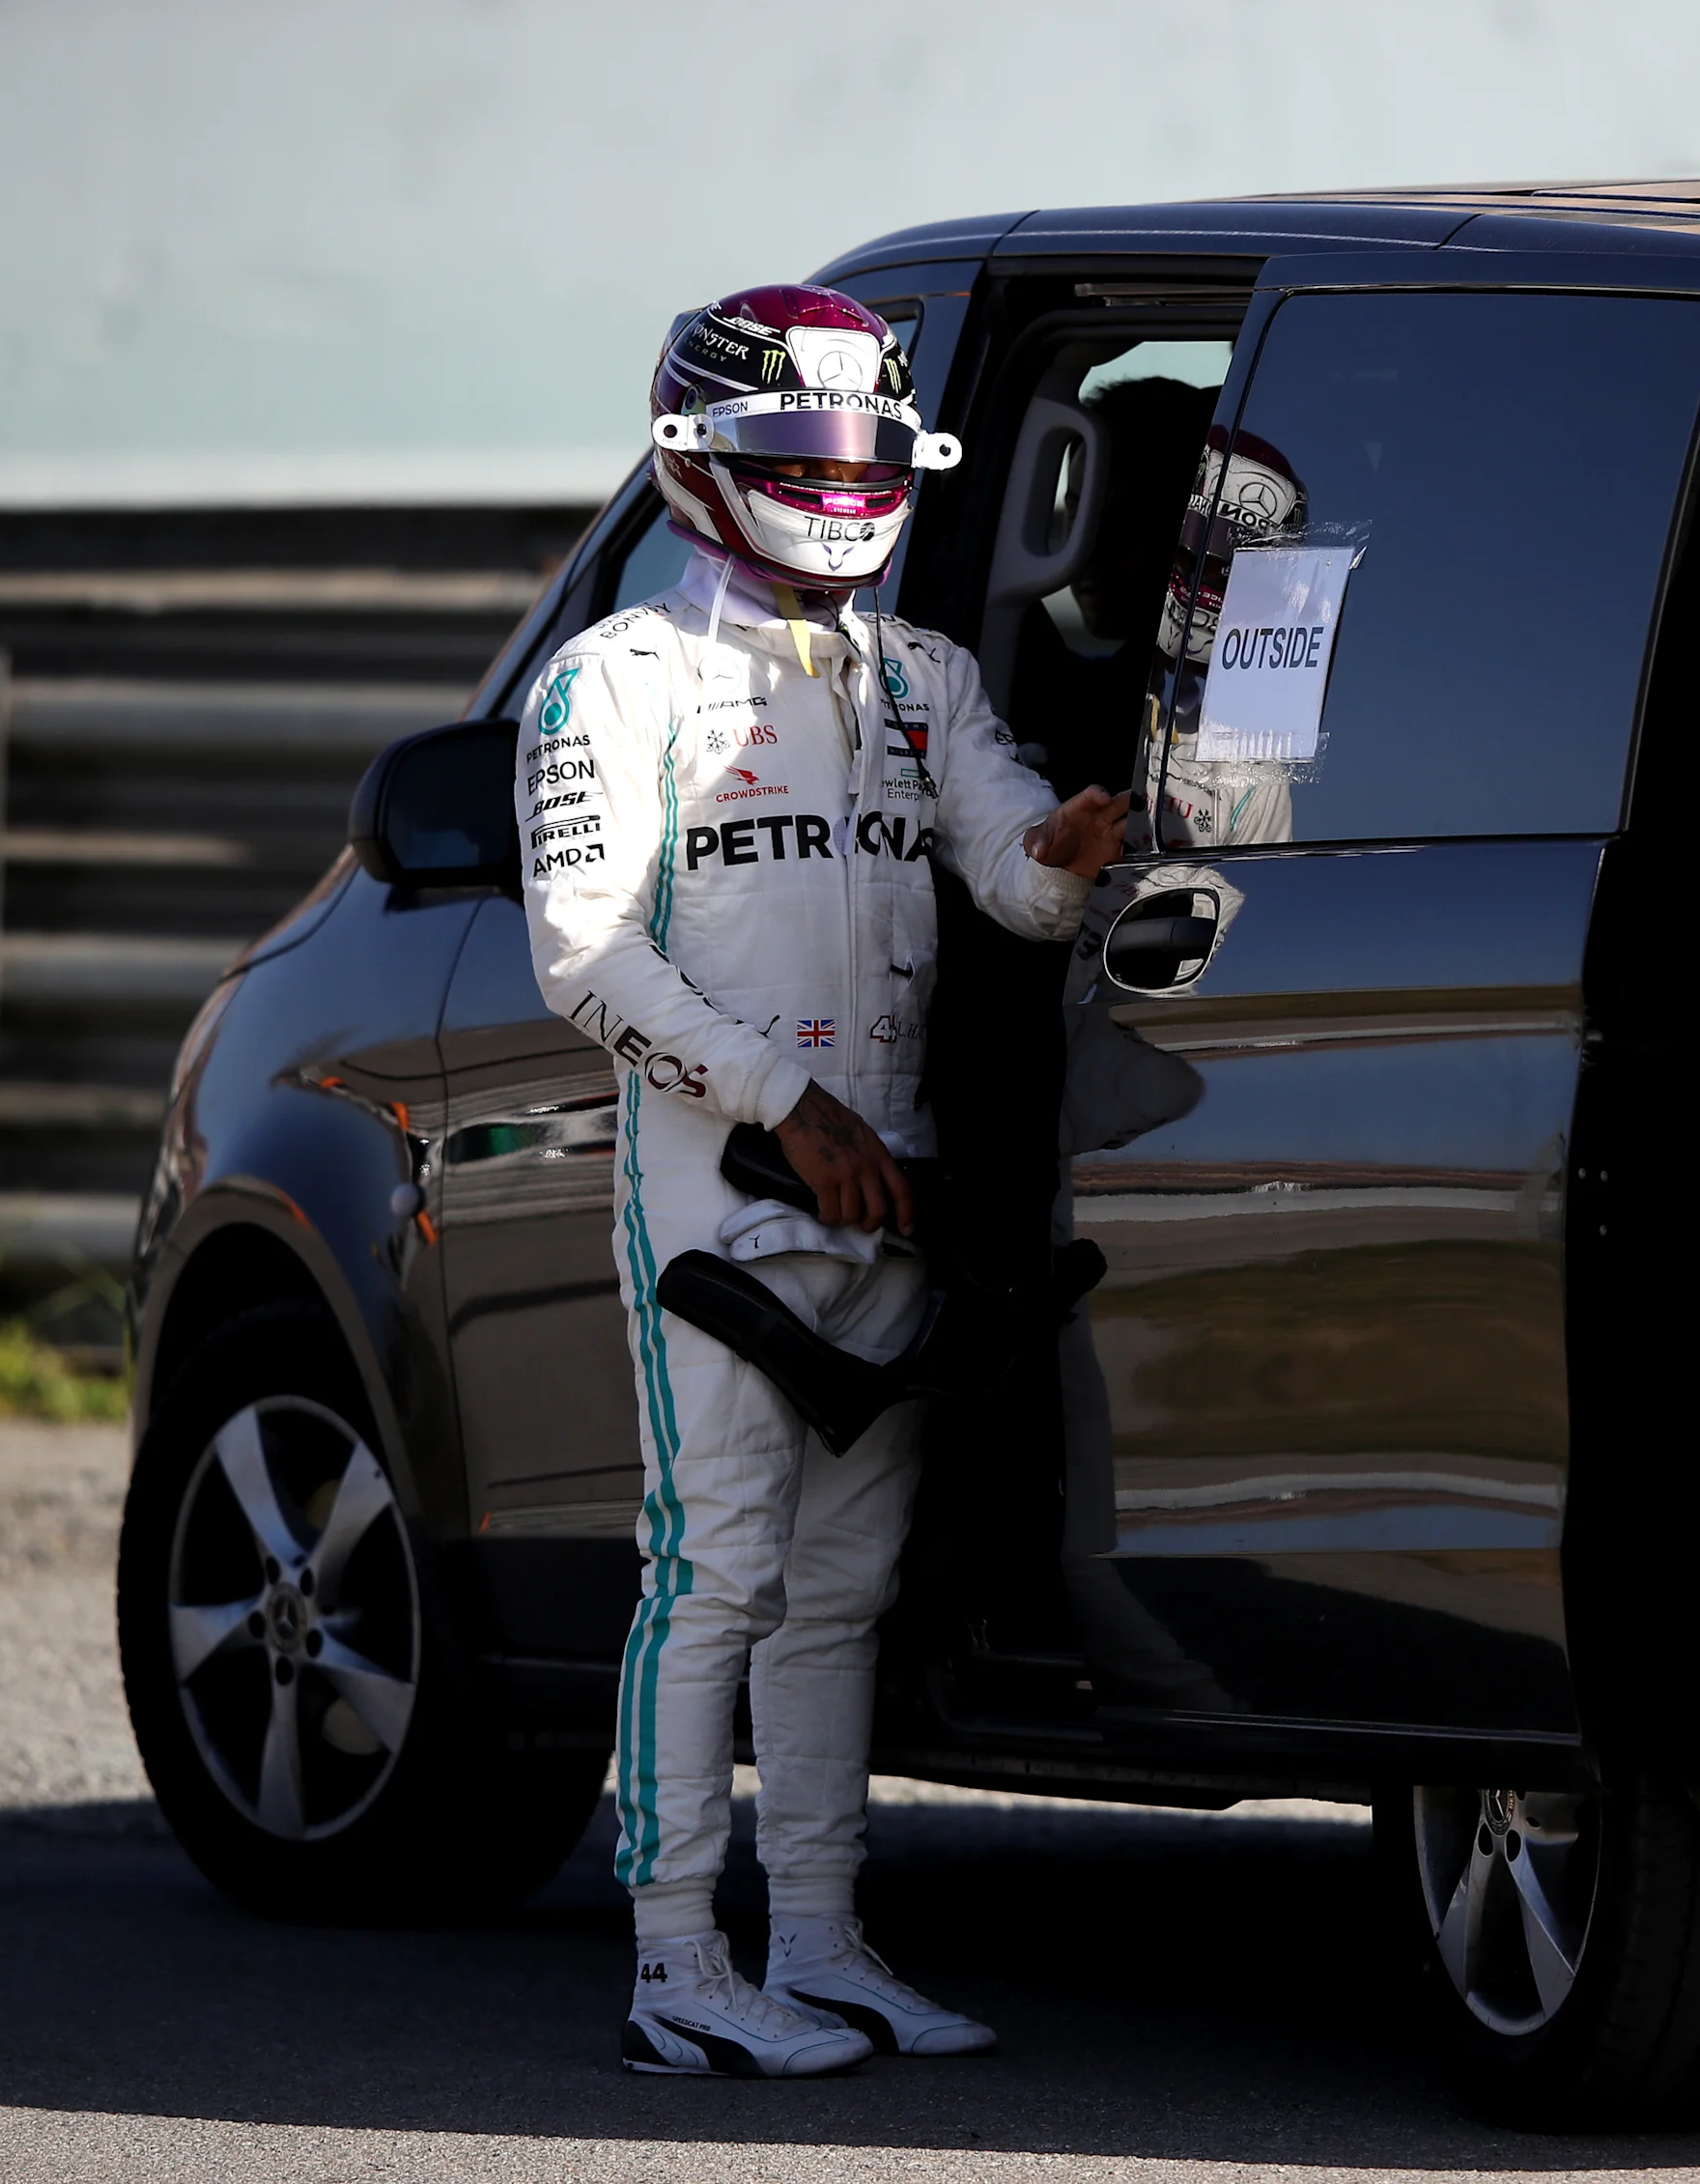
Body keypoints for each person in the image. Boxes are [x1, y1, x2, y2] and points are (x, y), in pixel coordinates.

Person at [519, 284, 1127, 2079]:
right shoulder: (616, 680)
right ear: (702, 465)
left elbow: (1014, 887)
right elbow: (583, 958)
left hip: (893, 1196)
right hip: (722, 1202)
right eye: (801, 454)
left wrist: (1069, 852)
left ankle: (824, 1940)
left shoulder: (922, 677)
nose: (839, 485)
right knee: (708, 1572)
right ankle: (671, 1965)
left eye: (865, 452)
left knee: (848, 1585)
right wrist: (785, 1106)